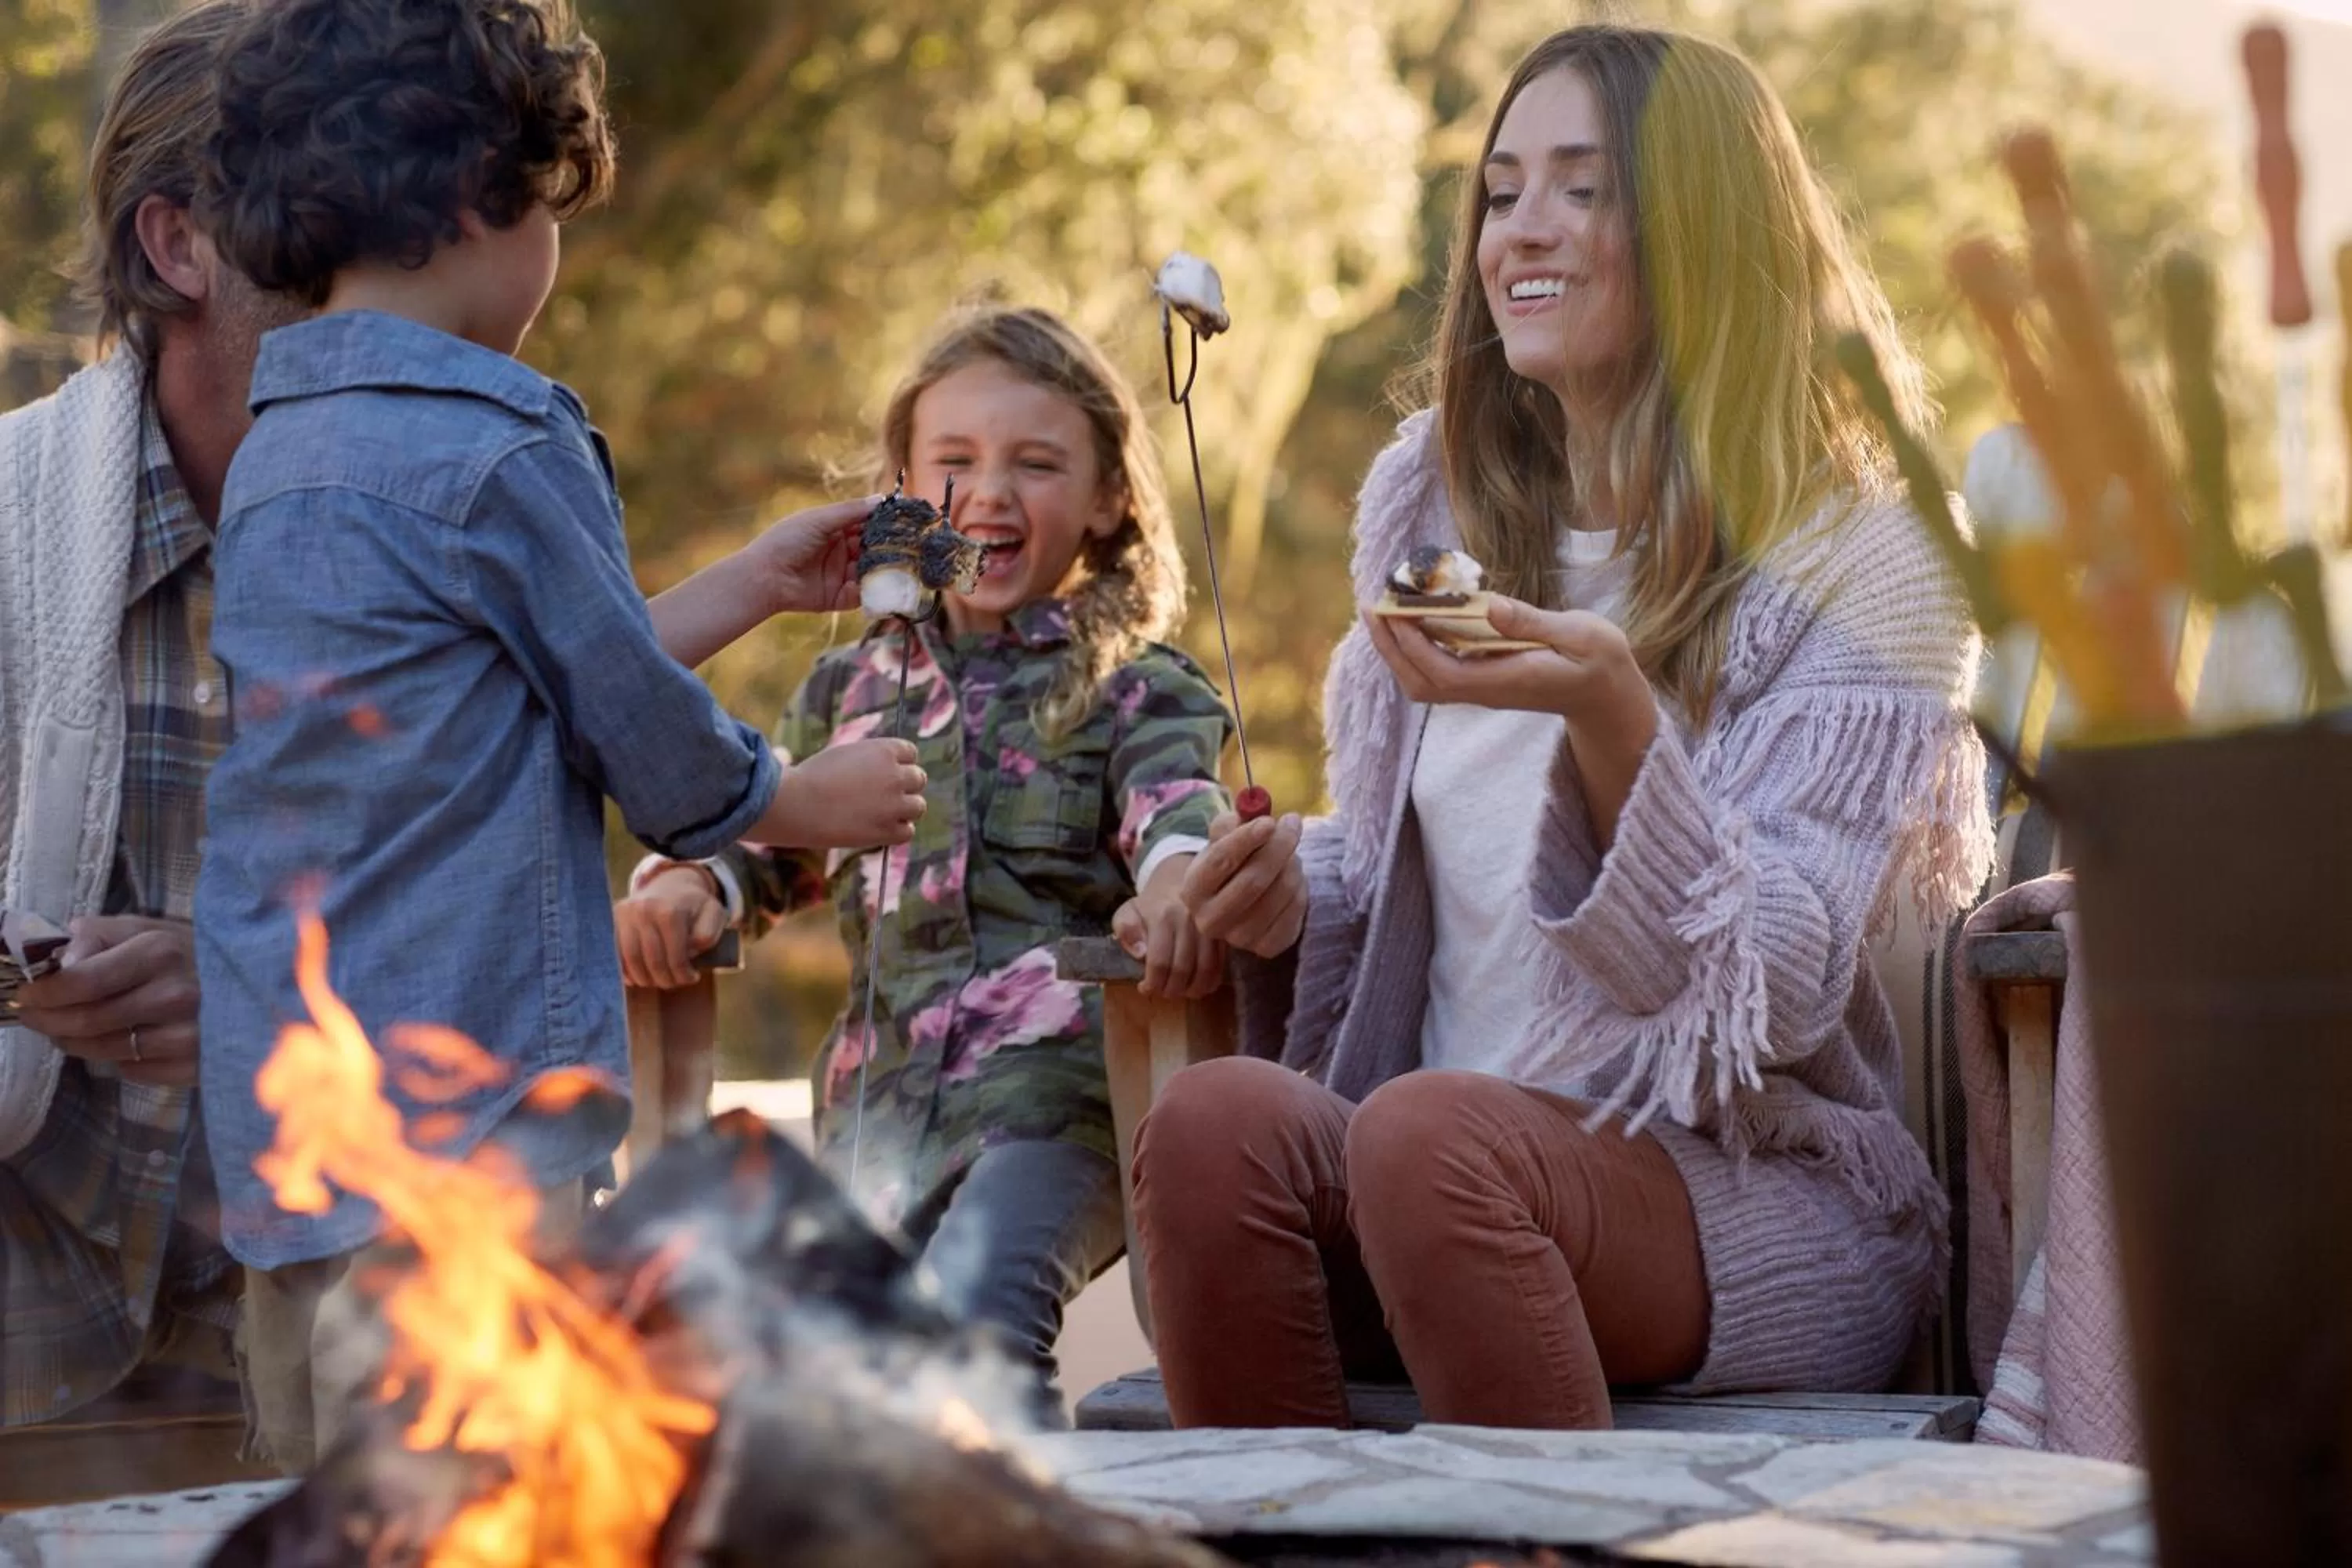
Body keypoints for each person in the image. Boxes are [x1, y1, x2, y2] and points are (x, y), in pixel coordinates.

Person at [1145, 24, 1996, 1429]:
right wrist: (1288, 882)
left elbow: (1776, 994)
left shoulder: (1871, 564)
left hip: (1739, 1196)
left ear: (1703, 231)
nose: (1519, 232)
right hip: (1433, 1170)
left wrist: (1613, 716)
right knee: (1213, 1124)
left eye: (1582, 190)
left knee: (1431, 1140)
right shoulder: (1428, 501)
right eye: (1500, 189)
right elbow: (1419, 864)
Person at [189, 0, 927, 1472]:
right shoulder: (502, 444)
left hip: (302, 1143)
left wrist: (750, 584)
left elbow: (500, 692)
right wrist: (800, 798)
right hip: (478, 1147)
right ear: (481, 199)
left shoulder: (276, 461)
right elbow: (650, 752)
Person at [616, 305, 1263, 1418]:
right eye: (953, 462)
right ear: (901, 497)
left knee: (981, 1322)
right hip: (880, 1111)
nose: (991, 492)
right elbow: (767, 846)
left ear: (1108, 499)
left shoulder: (1137, 686)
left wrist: (1173, 891)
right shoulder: (851, 694)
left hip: (1058, 1103)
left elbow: (1178, 817)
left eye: (1038, 462)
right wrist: (694, 887)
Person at [0, 0, 298, 1446]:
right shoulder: (10, 524)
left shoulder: (454, 544)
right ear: (179, 247)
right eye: (333, 226)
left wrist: (257, 991)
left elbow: (516, 944)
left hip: (312, 1343)